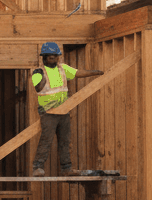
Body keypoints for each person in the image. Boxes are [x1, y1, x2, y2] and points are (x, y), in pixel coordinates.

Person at [31, 42, 103, 176]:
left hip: (63, 110)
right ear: (45, 57)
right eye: (51, 57)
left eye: (56, 57)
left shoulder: (62, 68)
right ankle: (37, 167)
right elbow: (38, 88)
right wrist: (42, 79)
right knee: (46, 139)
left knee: (65, 140)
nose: (54, 59)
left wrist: (95, 72)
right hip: (48, 112)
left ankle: (66, 169)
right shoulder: (38, 72)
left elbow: (78, 73)